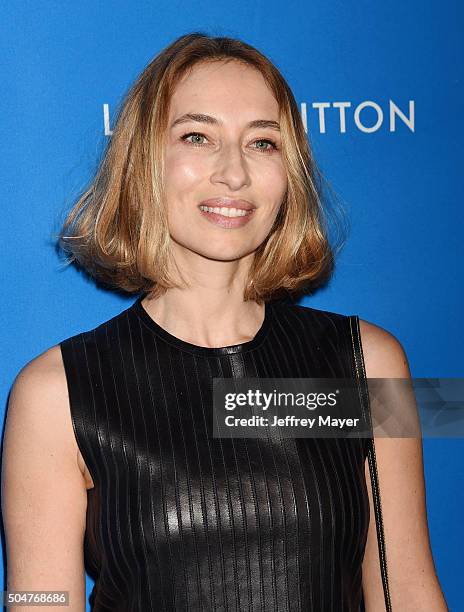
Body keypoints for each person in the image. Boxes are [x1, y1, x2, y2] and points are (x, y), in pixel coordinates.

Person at [2, 32, 447, 612]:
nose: (233, 173)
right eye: (197, 137)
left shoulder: (365, 363)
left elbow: (406, 590)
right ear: (145, 163)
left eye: (263, 143)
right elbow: (39, 600)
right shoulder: (56, 392)